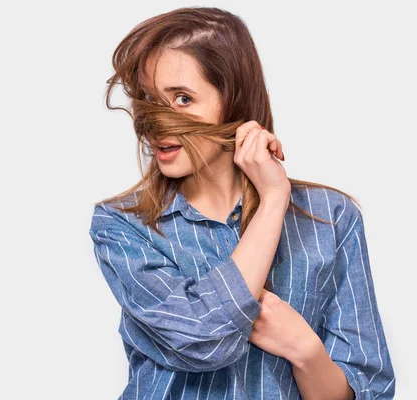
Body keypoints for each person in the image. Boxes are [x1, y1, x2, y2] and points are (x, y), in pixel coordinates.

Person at [88, 6, 395, 400]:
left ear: (234, 102)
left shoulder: (331, 219)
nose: (156, 121)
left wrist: (306, 351)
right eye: (148, 100)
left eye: (182, 98)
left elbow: (369, 389)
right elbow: (203, 339)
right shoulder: (122, 226)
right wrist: (272, 203)